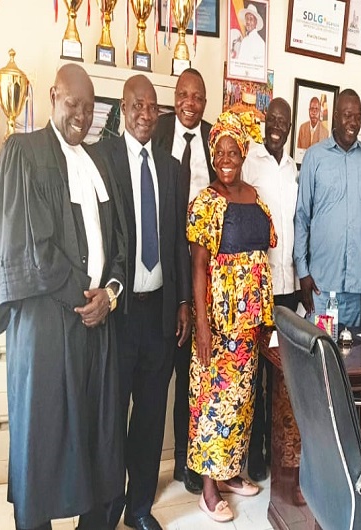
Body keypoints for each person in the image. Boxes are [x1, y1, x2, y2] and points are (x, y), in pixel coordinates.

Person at [0, 63, 125, 530]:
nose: (80, 116)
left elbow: (120, 244)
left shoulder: (99, 161)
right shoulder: (23, 152)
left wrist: (111, 295)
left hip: (96, 322)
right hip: (46, 327)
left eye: (88, 108)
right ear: (52, 96)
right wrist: (84, 294)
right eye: (71, 104)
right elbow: (27, 245)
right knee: (42, 441)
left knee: (98, 438)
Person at [97, 75, 191, 530]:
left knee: (152, 415)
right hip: (120, 313)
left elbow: (175, 244)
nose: (144, 114)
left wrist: (183, 304)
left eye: (152, 107)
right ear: (123, 107)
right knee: (114, 415)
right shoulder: (104, 158)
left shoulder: (172, 169)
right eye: (136, 105)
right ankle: (108, 504)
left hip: (158, 312)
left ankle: (138, 507)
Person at [186, 111, 274, 522]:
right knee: (211, 402)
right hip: (219, 324)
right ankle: (207, 489)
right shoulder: (206, 202)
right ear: (212, 154)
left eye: (232, 151)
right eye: (219, 151)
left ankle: (231, 473)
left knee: (241, 402)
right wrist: (202, 324)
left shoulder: (254, 196)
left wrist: (262, 317)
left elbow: (262, 252)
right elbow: (199, 267)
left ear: (243, 153)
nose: (226, 158)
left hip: (250, 324)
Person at [151, 67, 214, 495]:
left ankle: (189, 464)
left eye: (197, 97)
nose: (189, 104)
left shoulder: (214, 139)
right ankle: (158, 464)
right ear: (174, 99)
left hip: (203, 267)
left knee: (196, 374)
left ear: (205, 103)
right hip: (162, 264)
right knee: (165, 369)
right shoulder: (155, 132)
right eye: (183, 96)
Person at [242, 97, 298, 482]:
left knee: (284, 374)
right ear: (265, 123)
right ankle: (256, 454)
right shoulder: (250, 163)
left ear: (290, 127)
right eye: (272, 119)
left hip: (289, 287)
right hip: (259, 285)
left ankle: (280, 449)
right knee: (257, 372)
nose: (277, 126)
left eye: (284, 121)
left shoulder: (295, 168)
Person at [294, 88, 361, 327]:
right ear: (334, 116)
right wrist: (303, 272)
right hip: (321, 287)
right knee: (319, 358)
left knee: (353, 360)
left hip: (357, 289)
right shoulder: (314, 157)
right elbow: (302, 216)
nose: (353, 122)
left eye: (357, 116)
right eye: (347, 115)